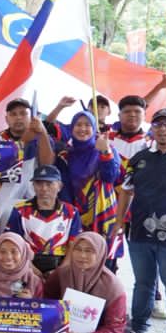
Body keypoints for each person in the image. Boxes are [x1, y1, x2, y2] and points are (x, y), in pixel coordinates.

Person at [118, 106, 166, 333]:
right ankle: (140, 328)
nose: (163, 129)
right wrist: (118, 222)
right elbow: (126, 191)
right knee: (143, 283)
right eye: (158, 124)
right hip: (139, 232)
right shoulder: (139, 158)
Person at [43, 232, 130, 333]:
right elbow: (48, 301)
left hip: (105, 332)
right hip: (68, 330)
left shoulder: (113, 286)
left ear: (101, 253)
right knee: (44, 329)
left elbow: (114, 327)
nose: (82, 255)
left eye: (89, 251)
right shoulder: (61, 274)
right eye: (78, 249)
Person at [55, 111, 122, 262]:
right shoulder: (65, 155)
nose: (82, 129)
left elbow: (111, 177)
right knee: (77, 261)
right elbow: (63, 188)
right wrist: (70, 217)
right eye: (78, 125)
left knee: (104, 263)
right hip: (75, 214)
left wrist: (105, 151)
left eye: (87, 125)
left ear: (93, 128)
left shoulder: (107, 148)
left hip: (103, 214)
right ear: (71, 128)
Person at [6, 164, 81, 275]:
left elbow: (73, 245)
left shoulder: (71, 212)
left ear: (59, 186)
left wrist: (60, 271)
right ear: (33, 185)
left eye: (49, 184)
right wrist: (30, 268)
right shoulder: (20, 210)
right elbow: (13, 243)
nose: (44, 189)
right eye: (39, 183)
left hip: (61, 264)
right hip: (28, 263)